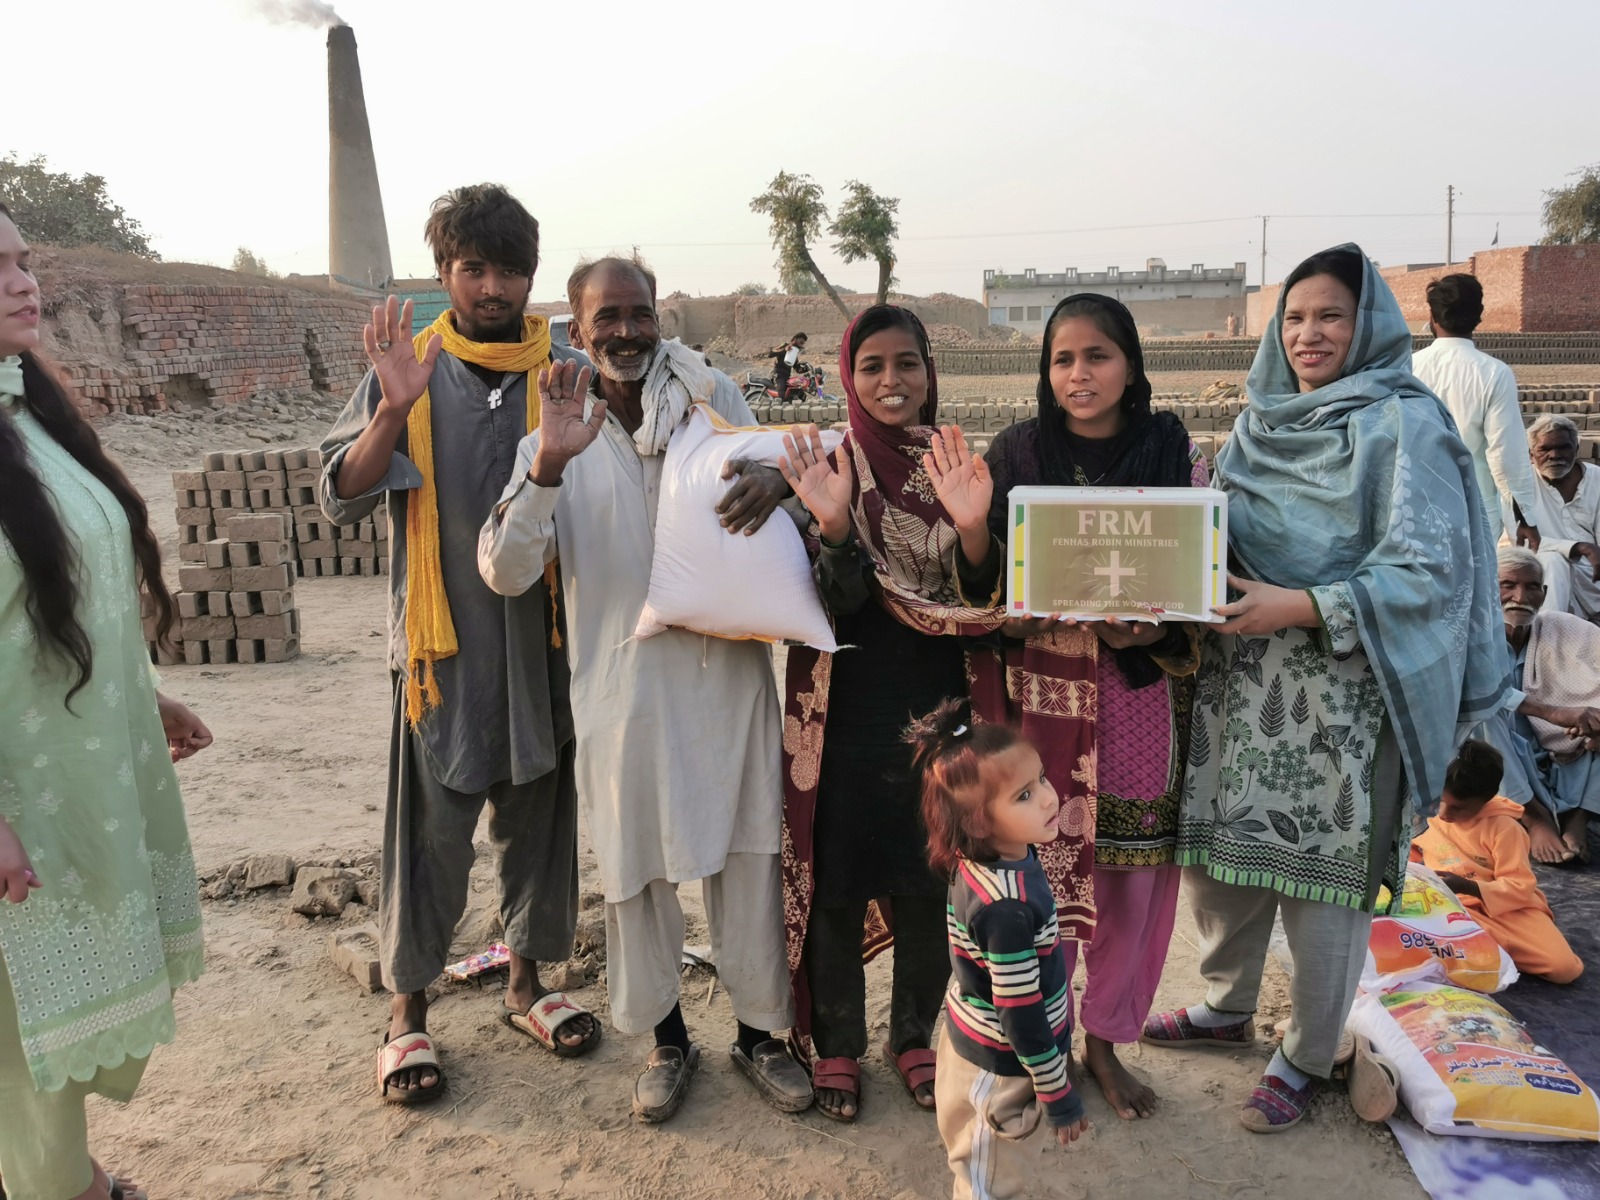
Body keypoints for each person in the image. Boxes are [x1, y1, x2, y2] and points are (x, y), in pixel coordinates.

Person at [1143, 246, 1508, 1133]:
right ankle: (1228, 1006)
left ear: (1368, 324)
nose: (1309, 334)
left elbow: (1430, 571)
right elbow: (1214, 537)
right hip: (1240, 685)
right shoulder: (1255, 426)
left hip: (1345, 698)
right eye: (1295, 318)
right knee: (1221, 868)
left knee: (1323, 888)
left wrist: (1303, 604)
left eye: (1331, 316)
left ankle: (1307, 1053)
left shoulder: (1405, 426)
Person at [478, 254, 813, 1123]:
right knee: (637, 868)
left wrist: (777, 483)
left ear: (658, 314)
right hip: (621, 690)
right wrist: (550, 467)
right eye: (608, 317)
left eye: (639, 313)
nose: (626, 331)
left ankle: (760, 1036)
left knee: (749, 856)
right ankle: (668, 1041)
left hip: (726, 676)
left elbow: (782, 478)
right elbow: (506, 571)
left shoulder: (714, 397)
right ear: (577, 326)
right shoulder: (551, 435)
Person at [318, 184, 597, 1104]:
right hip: (441, 655)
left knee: (540, 824)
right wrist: (390, 411)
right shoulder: (411, 366)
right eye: (473, 268)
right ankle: (408, 1011)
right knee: (428, 835)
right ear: (444, 272)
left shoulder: (564, 373)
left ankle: (527, 985)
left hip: (543, 644)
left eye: (510, 269)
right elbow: (342, 494)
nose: (492, 287)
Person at [0, 202, 210, 1200]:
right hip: (17, 809)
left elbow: (69, 597)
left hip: (72, 775)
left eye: (22, 259)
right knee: (18, 1035)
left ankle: (64, 1172)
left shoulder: (29, 414)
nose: (22, 280)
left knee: (46, 1021)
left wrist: (143, 697)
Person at [980, 293, 1207, 1120]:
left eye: (1098, 355)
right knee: (1040, 873)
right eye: (1063, 359)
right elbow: (986, 580)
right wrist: (1015, 614)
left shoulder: (1170, 448)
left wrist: (1152, 627)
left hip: (1138, 695)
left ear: (1132, 364)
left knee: (1130, 880)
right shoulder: (1017, 453)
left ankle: (1105, 1041)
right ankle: (1040, 1044)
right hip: (1041, 694)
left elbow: (1197, 573)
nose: (1080, 374)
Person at [774, 305, 1003, 1123]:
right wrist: (835, 525)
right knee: (836, 871)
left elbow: (985, 595)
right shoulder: (831, 467)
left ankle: (913, 1035)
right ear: (849, 376)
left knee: (929, 870)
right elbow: (834, 605)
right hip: (843, 703)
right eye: (871, 366)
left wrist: (972, 528)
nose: (891, 381)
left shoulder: (956, 465)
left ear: (930, 372)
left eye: (907, 363)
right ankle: (838, 1040)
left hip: (940, 698)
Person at [909, 700, 1086, 1200]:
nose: (1048, 799)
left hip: (979, 1039)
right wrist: (1054, 1087)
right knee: (987, 1177)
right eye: (1024, 795)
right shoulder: (1005, 909)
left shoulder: (991, 858)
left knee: (981, 1161)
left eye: (1042, 779)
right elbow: (1019, 1009)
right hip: (1002, 1064)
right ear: (980, 823)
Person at [1414, 740, 1583, 984]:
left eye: (1459, 808)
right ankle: (1480, 948)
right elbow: (1410, 856)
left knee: (1564, 969)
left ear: (1485, 799)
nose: (1444, 813)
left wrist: (1469, 887)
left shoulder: (1505, 829)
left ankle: (1484, 949)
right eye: (1440, 801)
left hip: (1507, 909)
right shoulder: (1426, 815)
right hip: (1451, 906)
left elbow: (1520, 887)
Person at [1410, 274, 1541, 548]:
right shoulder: (1494, 373)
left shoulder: (1407, 368)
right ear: (1478, 317)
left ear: (1432, 317)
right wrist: (1525, 517)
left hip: (1414, 503)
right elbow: (1506, 455)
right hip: (1474, 509)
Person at [1488, 546, 1600, 863]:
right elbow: (1471, 693)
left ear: (1544, 593)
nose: (1520, 597)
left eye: (1532, 587)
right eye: (1508, 585)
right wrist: (1552, 711)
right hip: (1507, 755)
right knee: (1480, 721)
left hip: (1566, 752)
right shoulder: (1472, 634)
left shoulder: (1568, 629)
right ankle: (1535, 817)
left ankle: (1578, 817)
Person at [1523, 415, 1600, 621]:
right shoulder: (1520, 486)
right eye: (1545, 449)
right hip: (1543, 578)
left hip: (1592, 580)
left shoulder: (1597, 480)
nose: (1555, 455)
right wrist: (1579, 547)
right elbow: (1522, 543)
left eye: (1564, 447)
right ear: (1531, 455)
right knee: (1553, 561)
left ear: (1576, 450)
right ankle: (1549, 634)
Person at [773, 331, 808, 398]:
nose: (801, 345)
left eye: (802, 344)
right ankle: (779, 403)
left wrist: (806, 368)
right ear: (795, 339)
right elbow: (770, 353)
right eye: (800, 342)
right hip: (778, 375)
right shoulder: (784, 345)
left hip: (787, 376)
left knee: (799, 393)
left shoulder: (794, 353)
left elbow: (797, 369)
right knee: (781, 396)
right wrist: (784, 350)